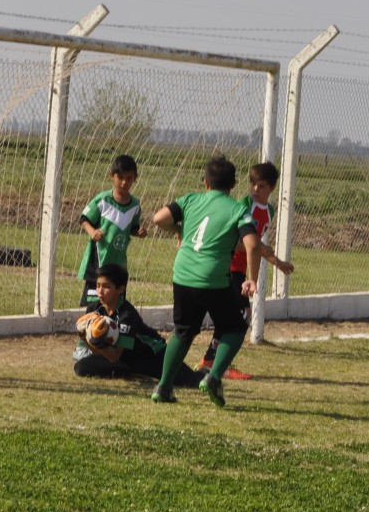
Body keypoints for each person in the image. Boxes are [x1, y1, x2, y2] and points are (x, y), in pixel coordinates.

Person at [145, 155, 262, 407]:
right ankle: (214, 377)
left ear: (206, 183)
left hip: (182, 274)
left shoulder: (190, 199)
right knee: (235, 327)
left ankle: (163, 387)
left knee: (183, 331)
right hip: (212, 278)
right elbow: (252, 245)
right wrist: (252, 279)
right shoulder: (237, 209)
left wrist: (179, 230)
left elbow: (158, 219)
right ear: (233, 185)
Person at [199, 161, 294, 380]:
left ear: (272, 188)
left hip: (241, 270)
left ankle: (212, 360)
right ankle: (216, 362)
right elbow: (239, 241)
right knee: (239, 315)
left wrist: (277, 261)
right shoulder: (243, 206)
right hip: (229, 266)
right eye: (252, 184)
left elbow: (256, 245)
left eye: (261, 186)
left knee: (237, 315)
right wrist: (261, 249)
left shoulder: (269, 211)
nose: (255, 189)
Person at [72, 263, 200, 386]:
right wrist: (85, 337)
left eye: (106, 287)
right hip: (122, 357)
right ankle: (128, 371)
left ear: (120, 289)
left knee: (192, 381)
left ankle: (204, 372)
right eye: (98, 285)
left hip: (149, 355)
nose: (100, 291)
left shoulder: (127, 315)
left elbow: (114, 356)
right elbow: (99, 352)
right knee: (81, 368)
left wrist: (99, 344)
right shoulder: (94, 310)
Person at [77, 155, 146, 307]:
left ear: (135, 178)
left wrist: (138, 232)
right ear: (112, 176)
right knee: (93, 306)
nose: (124, 182)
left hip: (119, 264)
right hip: (99, 261)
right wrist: (92, 232)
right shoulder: (103, 200)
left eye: (129, 178)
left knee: (116, 305)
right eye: (120, 177)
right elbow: (84, 219)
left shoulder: (135, 205)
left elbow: (133, 227)